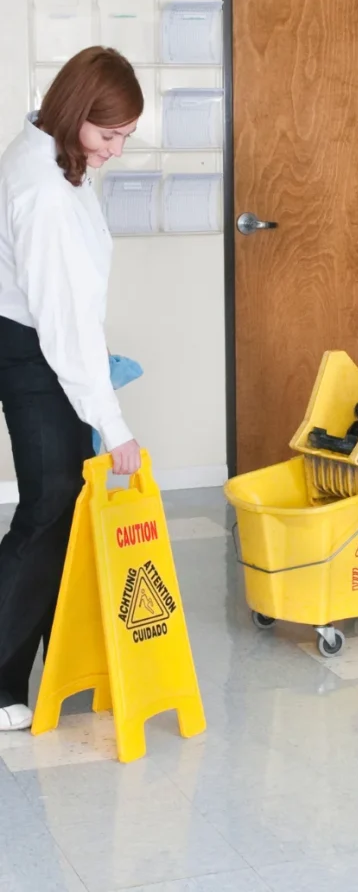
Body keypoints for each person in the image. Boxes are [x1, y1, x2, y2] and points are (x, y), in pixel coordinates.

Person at [0, 47, 143, 731]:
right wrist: (113, 426)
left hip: (41, 343)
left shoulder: (61, 156)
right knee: (50, 500)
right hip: (30, 350)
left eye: (124, 136)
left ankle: (54, 658)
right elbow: (60, 324)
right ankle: (0, 677)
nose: (115, 150)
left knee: (60, 501)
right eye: (107, 134)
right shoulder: (45, 190)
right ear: (73, 111)